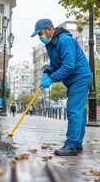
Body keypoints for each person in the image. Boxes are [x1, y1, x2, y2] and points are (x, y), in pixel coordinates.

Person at [31, 19, 92, 156]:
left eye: (41, 33)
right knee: (79, 112)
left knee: (73, 110)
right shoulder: (50, 45)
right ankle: (77, 143)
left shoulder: (65, 41)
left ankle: (70, 145)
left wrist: (51, 79)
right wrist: (46, 73)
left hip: (80, 77)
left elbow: (68, 66)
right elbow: (54, 64)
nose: (40, 37)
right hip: (72, 80)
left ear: (49, 29)